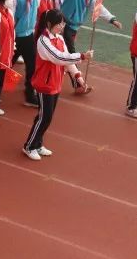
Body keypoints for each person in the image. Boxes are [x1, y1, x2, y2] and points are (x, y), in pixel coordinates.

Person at [24, 9, 91, 161]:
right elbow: (58, 58)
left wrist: (78, 77)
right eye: (59, 24)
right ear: (49, 24)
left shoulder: (59, 39)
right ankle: (29, 146)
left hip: (55, 83)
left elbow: (67, 60)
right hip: (44, 85)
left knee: (47, 117)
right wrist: (81, 56)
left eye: (62, 24)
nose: (61, 27)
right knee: (44, 117)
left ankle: (38, 143)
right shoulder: (43, 41)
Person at [12, 0, 43, 107]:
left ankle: (30, 95)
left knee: (32, 66)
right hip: (16, 37)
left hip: (29, 35)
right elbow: (11, 16)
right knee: (6, 65)